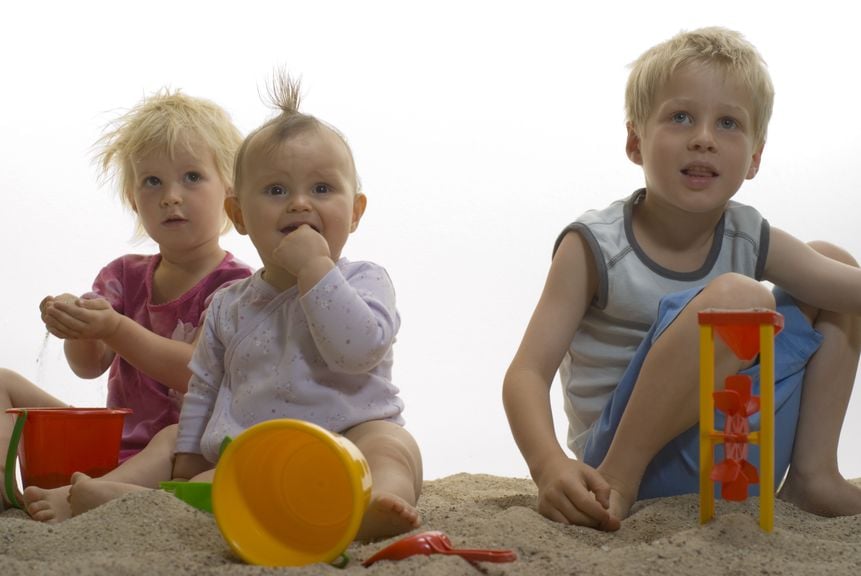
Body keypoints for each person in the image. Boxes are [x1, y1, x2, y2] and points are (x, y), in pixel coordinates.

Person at [30, 75, 423, 543]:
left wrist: (316, 269)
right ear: (239, 216)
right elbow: (204, 389)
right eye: (276, 191)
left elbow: (357, 350)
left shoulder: (364, 280)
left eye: (321, 189)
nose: (299, 203)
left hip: (353, 437)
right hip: (259, 449)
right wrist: (192, 456)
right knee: (193, 463)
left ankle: (373, 505)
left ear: (355, 212)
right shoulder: (232, 302)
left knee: (395, 447)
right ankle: (138, 498)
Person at [502, 27, 861, 532]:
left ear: (755, 157)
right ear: (635, 141)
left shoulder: (747, 234)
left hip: (735, 452)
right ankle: (620, 480)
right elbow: (525, 374)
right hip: (626, 464)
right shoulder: (594, 246)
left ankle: (814, 474)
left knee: (832, 263)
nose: (703, 138)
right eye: (681, 116)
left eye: (729, 123)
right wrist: (549, 466)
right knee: (740, 297)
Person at [2, 90, 253, 513]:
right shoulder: (123, 274)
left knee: (173, 437)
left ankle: (85, 497)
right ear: (135, 202)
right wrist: (78, 325)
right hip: (113, 441)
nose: (170, 195)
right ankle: (5, 493)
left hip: (183, 452)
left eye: (192, 177)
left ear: (229, 195)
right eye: (152, 181)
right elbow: (87, 366)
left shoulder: (236, 286)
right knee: (2, 379)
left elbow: (196, 372)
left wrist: (115, 328)